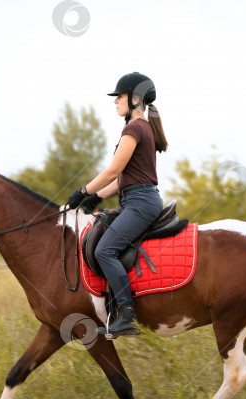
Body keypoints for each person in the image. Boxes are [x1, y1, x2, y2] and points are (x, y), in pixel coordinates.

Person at [67, 72, 169, 338]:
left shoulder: (134, 128)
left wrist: (82, 191)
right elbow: (126, 179)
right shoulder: (143, 127)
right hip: (138, 199)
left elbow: (113, 171)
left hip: (140, 204)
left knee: (104, 251)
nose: (115, 102)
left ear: (135, 100)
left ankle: (126, 315)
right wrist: (96, 197)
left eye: (119, 97)